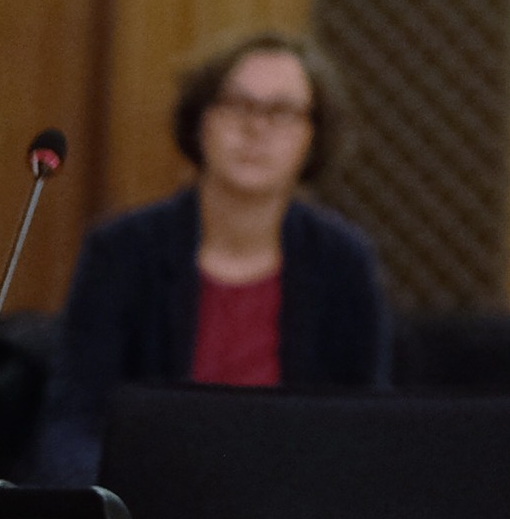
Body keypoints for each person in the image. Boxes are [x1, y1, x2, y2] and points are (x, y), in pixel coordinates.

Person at [35, 28, 391, 487]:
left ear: (313, 138)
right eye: (236, 104)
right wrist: (111, 505)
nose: (256, 128)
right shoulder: (122, 250)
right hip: (148, 500)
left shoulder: (344, 262)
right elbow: (74, 422)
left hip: (295, 504)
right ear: (199, 120)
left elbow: (366, 425)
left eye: (282, 111)